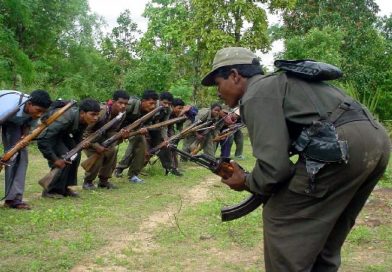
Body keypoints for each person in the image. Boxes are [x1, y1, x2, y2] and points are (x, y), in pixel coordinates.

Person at [201, 47, 390, 272]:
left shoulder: (256, 92)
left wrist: (247, 182)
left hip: (341, 143)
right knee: (329, 230)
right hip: (375, 140)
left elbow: (274, 169)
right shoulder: (283, 84)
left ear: (234, 75)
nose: (218, 92)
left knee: (281, 217)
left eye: (218, 83)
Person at [37, 98, 101, 198]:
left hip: (63, 134)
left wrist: (80, 145)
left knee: (75, 154)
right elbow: (43, 139)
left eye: (97, 114)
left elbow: (77, 136)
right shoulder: (65, 118)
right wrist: (55, 159)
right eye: (93, 114)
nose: (96, 118)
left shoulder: (84, 119)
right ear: (83, 113)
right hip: (50, 135)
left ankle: (64, 188)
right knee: (65, 155)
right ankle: (50, 190)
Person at [1, 89, 52, 209]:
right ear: (29, 104)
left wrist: (24, 138)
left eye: (42, 112)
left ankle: (13, 199)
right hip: (3, 117)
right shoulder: (8, 106)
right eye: (38, 111)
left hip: (14, 123)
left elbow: (28, 125)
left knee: (20, 156)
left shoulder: (34, 111)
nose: (39, 114)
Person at [82, 90, 129, 190]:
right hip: (89, 139)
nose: (123, 106)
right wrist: (95, 145)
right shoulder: (101, 112)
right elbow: (85, 132)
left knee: (112, 151)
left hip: (103, 139)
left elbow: (113, 130)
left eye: (125, 103)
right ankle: (88, 181)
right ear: (113, 102)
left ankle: (104, 181)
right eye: (120, 103)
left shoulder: (122, 114)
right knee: (98, 155)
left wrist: (120, 135)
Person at [114, 90, 158, 183]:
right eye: (150, 103)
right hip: (116, 129)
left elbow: (148, 123)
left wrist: (144, 128)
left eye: (154, 104)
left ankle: (133, 175)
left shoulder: (152, 110)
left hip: (134, 130)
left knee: (142, 146)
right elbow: (116, 117)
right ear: (143, 101)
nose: (153, 106)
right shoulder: (128, 105)